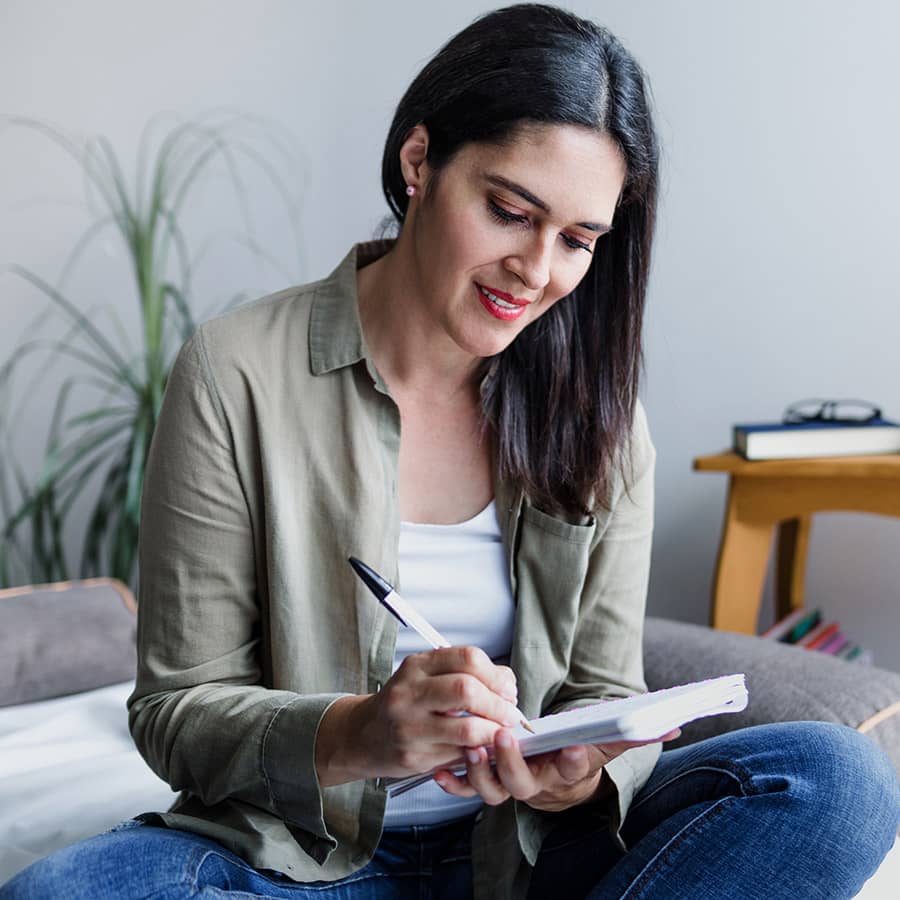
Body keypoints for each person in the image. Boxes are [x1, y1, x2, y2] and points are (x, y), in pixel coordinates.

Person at [3, 4, 897, 899]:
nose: (538, 270)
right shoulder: (236, 372)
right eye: (511, 211)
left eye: (578, 241)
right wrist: (359, 732)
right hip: (305, 862)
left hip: (528, 857)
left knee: (840, 782)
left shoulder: (603, 418)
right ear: (420, 161)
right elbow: (174, 713)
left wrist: (581, 772)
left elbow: (602, 690)